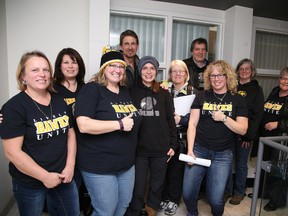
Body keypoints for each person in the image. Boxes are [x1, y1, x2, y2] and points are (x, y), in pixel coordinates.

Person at [0, 51, 79, 216]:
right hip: (29, 182)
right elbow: (12, 152)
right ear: (23, 76)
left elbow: (70, 134)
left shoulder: (59, 101)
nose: (42, 74)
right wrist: (44, 176)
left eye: (46, 70)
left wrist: (70, 166)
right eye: (35, 70)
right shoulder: (14, 108)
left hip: (63, 176)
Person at [75, 50, 142, 216]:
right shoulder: (92, 89)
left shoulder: (125, 91)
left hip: (126, 164)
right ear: (103, 68)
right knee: (106, 210)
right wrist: (119, 124)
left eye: (121, 66)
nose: (117, 70)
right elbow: (83, 125)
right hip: (99, 165)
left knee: (123, 205)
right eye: (112, 65)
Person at [183, 60, 248, 216]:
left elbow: (243, 129)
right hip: (198, 149)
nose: (216, 79)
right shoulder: (201, 95)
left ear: (227, 77)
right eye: (212, 75)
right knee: (188, 193)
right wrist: (190, 150)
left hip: (223, 154)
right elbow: (192, 123)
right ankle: (192, 213)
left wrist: (224, 118)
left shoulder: (237, 99)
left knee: (215, 199)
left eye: (220, 75)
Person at [125, 56, 178, 216]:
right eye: (145, 68)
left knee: (157, 185)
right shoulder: (131, 92)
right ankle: (135, 210)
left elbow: (171, 120)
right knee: (138, 186)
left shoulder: (164, 93)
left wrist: (173, 145)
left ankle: (151, 210)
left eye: (152, 68)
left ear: (156, 71)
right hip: (139, 149)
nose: (149, 72)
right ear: (140, 71)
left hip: (161, 149)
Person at [224, 59, 264, 205]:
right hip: (228, 132)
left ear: (252, 71)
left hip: (244, 135)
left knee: (241, 164)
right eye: (242, 68)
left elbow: (257, 114)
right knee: (226, 163)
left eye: (247, 69)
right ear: (238, 70)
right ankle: (226, 191)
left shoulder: (256, 90)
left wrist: (248, 136)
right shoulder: (232, 87)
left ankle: (239, 192)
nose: (244, 71)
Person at [160, 60, 196, 215]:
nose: (177, 74)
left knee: (176, 170)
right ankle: (163, 197)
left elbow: (197, 118)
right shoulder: (163, 90)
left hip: (182, 137)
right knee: (162, 169)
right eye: (174, 71)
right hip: (164, 136)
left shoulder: (193, 91)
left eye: (181, 71)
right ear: (169, 74)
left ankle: (174, 200)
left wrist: (181, 119)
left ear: (186, 74)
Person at [254, 66, 288, 211]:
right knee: (265, 166)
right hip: (266, 139)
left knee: (278, 170)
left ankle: (276, 201)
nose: (284, 81)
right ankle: (263, 192)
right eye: (282, 77)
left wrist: (278, 124)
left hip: (280, 139)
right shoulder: (275, 91)